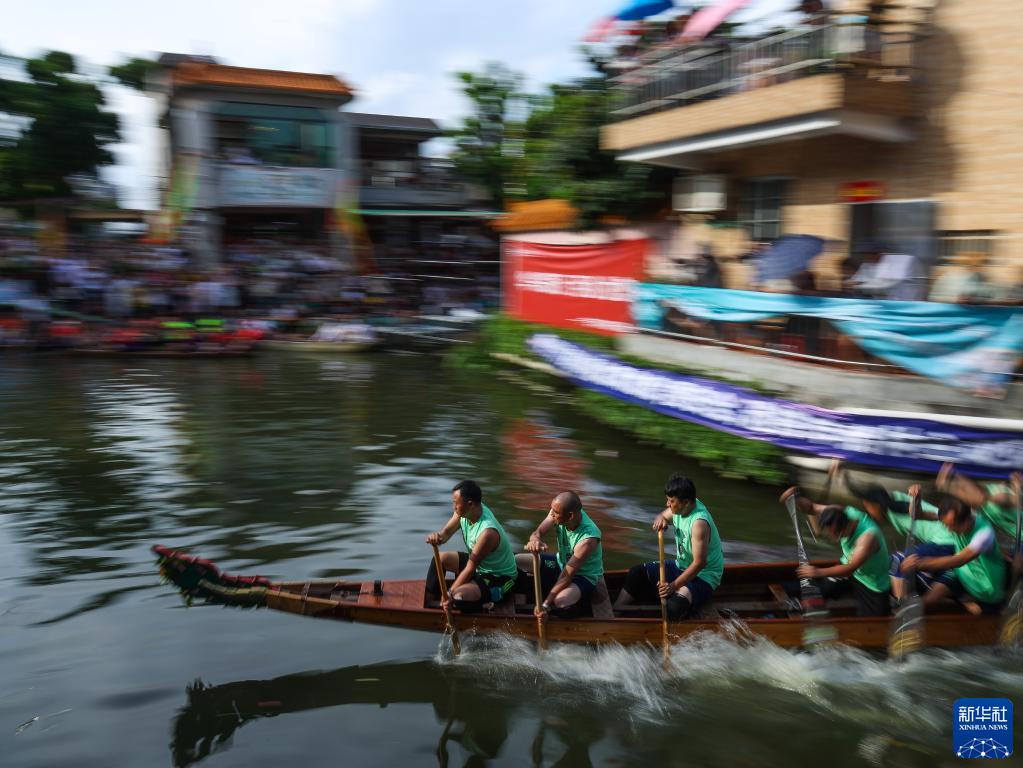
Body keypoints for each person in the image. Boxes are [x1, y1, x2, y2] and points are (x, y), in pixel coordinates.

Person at [614, 474, 723, 619]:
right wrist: (661, 520)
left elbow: (699, 564)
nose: (667, 504)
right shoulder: (681, 506)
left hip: (704, 575)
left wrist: (672, 586)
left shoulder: (699, 524)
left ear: (685, 502)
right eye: (668, 499)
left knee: (673, 607)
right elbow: (663, 515)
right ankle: (614, 615)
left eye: (671, 501)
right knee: (636, 573)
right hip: (682, 566)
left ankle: (692, 613)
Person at [779, 486, 891, 616]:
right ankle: (797, 601)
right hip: (849, 571)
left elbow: (850, 568)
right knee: (820, 587)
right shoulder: (842, 512)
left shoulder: (867, 539)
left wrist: (817, 572)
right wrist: (796, 499)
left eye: (836, 536)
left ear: (845, 527)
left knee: (872, 622)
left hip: (873, 584)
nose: (833, 539)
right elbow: (811, 507)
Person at [896, 496, 1006, 614]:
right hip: (963, 577)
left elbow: (959, 560)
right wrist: (916, 499)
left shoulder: (984, 534)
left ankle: (965, 601)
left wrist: (919, 564)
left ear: (967, 520)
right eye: (947, 525)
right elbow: (917, 515)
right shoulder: (952, 517)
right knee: (929, 600)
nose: (949, 530)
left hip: (987, 591)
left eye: (952, 526)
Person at [425, 480, 519, 612]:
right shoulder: (464, 512)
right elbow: (446, 533)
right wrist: (437, 537)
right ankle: (428, 603)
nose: (454, 507)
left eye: (456, 503)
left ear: (470, 504)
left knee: (458, 597)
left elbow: (470, 568)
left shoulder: (487, 532)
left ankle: (486, 606)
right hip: (479, 566)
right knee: (439, 559)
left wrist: (450, 594)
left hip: (498, 577)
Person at [519, 491, 604, 620]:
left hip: (583, 576)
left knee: (560, 601)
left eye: (555, 512)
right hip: (561, 563)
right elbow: (538, 532)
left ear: (570, 516)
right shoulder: (558, 511)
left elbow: (567, 575)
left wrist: (545, 605)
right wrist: (535, 541)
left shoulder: (588, 539)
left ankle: (580, 607)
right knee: (517, 560)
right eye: (552, 510)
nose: (551, 514)